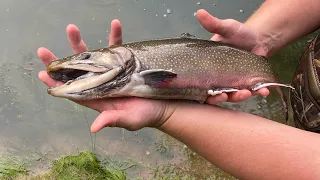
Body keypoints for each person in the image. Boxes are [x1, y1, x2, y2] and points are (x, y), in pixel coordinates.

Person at [37, 0, 320, 179]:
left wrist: (166, 114)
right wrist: (263, 37)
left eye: (88, 59)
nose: (84, 62)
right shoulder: (130, 68)